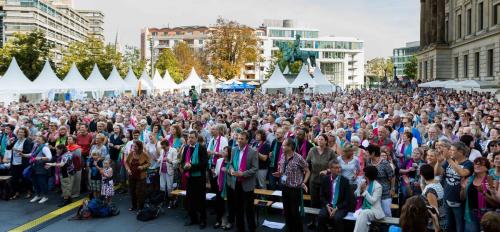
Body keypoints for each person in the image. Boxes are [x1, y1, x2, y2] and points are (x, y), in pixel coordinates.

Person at [272, 137, 310, 232]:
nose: (282, 147)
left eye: (284, 145)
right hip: (285, 187)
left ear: (290, 146)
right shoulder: (282, 156)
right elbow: (282, 170)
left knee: (294, 213)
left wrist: (303, 182)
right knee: (287, 212)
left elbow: (308, 171)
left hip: (295, 189)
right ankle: (289, 229)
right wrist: (279, 173)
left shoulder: (298, 158)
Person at [435, 141, 473, 232]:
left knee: (459, 226)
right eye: (450, 150)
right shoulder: (449, 161)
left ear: (461, 152)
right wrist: (438, 162)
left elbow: (462, 173)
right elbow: (437, 172)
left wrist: (448, 159)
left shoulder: (468, 164)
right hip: (447, 197)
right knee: (449, 225)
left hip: (459, 200)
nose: (450, 152)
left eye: (452, 150)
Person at [228, 131, 258, 232]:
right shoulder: (234, 150)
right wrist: (232, 170)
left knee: (249, 209)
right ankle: (240, 228)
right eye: (238, 138)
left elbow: (255, 169)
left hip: (247, 184)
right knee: (238, 207)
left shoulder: (253, 152)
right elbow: (231, 163)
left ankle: (251, 228)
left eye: (242, 139)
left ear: (247, 140)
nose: (239, 140)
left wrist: (243, 174)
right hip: (236, 182)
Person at [306, 133, 336, 229]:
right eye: (318, 139)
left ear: (326, 141)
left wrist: (327, 170)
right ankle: (313, 221)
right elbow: (307, 163)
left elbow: (336, 166)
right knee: (314, 201)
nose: (320, 141)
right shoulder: (312, 150)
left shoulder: (330, 152)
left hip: (326, 181)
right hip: (314, 179)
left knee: (325, 202)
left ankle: (325, 222)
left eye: (322, 139)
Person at [460, 157, 497, 232]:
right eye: (475, 164)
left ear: (487, 168)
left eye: (480, 164)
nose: (477, 166)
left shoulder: (491, 181)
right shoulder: (469, 179)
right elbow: (462, 198)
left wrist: (483, 193)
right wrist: (463, 189)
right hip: (471, 214)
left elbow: (494, 203)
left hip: (488, 215)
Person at [180, 131, 208, 229]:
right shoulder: (186, 148)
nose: (190, 139)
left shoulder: (201, 148)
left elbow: (204, 164)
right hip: (190, 177)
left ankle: (203, 220)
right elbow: (182, 161)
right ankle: (193, 219)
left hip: (199, 178)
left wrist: (191, 167)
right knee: (190, 199)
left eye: (192, 137)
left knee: (200, 200)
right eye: (189, 138)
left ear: (196, 138)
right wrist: (185, 166)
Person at [318, 159, 351, 232]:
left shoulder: (345, 181)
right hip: (329, 205)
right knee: (321, 216)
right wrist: (327, 205)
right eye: (336, 168)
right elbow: (322, 196)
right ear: (330, 169)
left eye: (339, 167)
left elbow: (347, 199)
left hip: (341, 206)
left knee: (337, 218)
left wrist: (337, 208)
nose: (339, 170)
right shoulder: (325, 179)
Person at [366, 144, 395, 216]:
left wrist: (392, 188)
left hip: (385, 192)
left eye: (367, 152)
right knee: (375, 212)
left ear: (372, 153)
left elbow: (392, 176)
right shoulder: (368, 162)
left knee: (386, 212)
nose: (365, 154)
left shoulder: (384, 163)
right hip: (373, 192)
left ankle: (388, 227)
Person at [353, 166, 384, 232]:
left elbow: (372, 201)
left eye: (364, 173)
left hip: (374, 210)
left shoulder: (378, 186)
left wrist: (364, 191)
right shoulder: (363, 183)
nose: (363, 174)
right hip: (363, 208)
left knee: (364, 213)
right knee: (362, 214)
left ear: (368, 175)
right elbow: (355, 194)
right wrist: (360, 190)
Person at [6, 127, 33, 200]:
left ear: (25, 133)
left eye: (22, 132)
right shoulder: (16, 140)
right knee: (14, 179)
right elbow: (8, 148)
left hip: (23, 163)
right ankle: (16, 192)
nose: (20, 133)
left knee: (25, 178)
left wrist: (16, 149)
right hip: (14, 162)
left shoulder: (27, 141)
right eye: (19, 132)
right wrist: (9, 142)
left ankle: (29, 191)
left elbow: (28, 152)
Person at [125, 140, 150, 212]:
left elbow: (149, 163)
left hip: (141, 176)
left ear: (139, 147)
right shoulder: (131, 153)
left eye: (135, 146)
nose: (134, 147)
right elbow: (126, 163)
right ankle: (134, 206)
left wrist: (142, 167)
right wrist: (128, 169)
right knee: (132, 191)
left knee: (140, 192)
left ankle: (140, 207)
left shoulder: (144, 154)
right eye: (133, 146)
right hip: (132, 175)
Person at [420, 164, 446, 231]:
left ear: (422, 175)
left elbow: (434, 212)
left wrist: (437, 230)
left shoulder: (430, 191)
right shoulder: (437, 182)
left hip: (434, 225)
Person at [30, 135, 52, 204]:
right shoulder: (36, 146)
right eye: (37, 138)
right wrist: (23, 154)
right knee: (35, 182)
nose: (37, 139)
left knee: (42, 182)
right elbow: (31, 155)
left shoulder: (45, 148)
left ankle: (45, 196)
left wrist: (40, 158)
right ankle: (38, 195)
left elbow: (49, 157)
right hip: (34, 166)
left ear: (43, 141)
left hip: (41, 167)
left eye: (39, 139)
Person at [157, 140, 178, 208]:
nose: (163, 148)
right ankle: (163, 201)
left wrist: (170, 161)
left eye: (164, 147)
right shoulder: (162, 150)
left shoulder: (173, 150)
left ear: (167, 145)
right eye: (162, 147)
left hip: (169, 171)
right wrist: (159, 160)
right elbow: (161, 158)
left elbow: (176, 161)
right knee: (162, 186)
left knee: (169, 187)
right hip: (162, 170)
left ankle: (171, 201)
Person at [214, 146, 230, 229]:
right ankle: (218, 220)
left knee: (227, 205)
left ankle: (227, 221)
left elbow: (233, 173)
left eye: (226, 151)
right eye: (223, 151)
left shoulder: (231, 161)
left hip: (228, 186)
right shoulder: (219, 160)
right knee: (219, 203)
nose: (223, 153)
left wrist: (227, 171)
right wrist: (214, 173)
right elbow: (217, 173)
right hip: (219, 185)